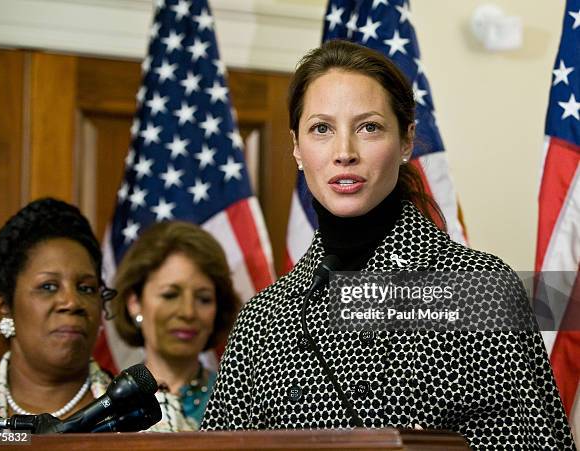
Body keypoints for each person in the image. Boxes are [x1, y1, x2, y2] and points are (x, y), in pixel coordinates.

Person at [201, 40, 576, 449]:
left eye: (369, 127)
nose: (344, 153)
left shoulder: (480, 289)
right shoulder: (262, 319)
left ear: (406, 141)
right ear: (296, 147)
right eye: (321, 128)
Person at [0, 198, 118, 420]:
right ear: (4, 309)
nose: (72, 302)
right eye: (48, 286)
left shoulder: (158, 419)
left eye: (86, 288)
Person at [112, 221, 240, 431]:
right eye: (170, 295)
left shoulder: (238, 403)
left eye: (204, 299)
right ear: (134, 302)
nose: (187, 312)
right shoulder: (105, 400)